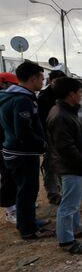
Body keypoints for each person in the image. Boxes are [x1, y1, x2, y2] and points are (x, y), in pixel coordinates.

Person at [0, 61, 54, 239]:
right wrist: (42, 144)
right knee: (26, 191)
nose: (43, 81)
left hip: (15, 151)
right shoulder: (22, 100)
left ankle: (29, 221)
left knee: (26, 191)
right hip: (22, 153)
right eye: (41, 78)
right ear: (32, 78)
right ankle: (29, 230)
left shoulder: (14, 96)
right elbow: (23, 131)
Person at [47, 77, 82, 254]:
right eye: (80, 92)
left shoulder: (65, 111)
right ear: (71, 94)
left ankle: (77, 228)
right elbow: (66, 148)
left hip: (70, 166)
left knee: (74, 202)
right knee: (68, 205)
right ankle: (67, 240)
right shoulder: (61, 115)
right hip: (70, 167)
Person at [37, 69, 67, 205]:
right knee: (50, 165)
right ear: (50, 81)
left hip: (62, 135)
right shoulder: (44, 96)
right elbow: (40, 120)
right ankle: (53, 194)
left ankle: (66, 189)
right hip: (49, 136)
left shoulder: (63, 94)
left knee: (64, 163)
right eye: (56, 81)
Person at [0, 72, 19, 224]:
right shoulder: (4, 99)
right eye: (14, 84)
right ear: (4, 83)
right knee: (8, 177)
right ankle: (10, 210)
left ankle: (15, 203)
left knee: (12, 176)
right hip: (3, 144)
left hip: (7, 142)